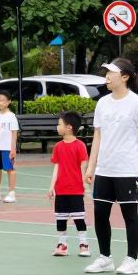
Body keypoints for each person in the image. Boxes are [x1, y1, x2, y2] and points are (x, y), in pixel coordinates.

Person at [83, 58, 138, 275]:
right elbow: (98, 135)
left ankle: (133, 260)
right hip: (105, 168)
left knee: (129, 214)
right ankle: (105, 258)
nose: (107, 76)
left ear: (125, 77)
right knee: (100, 214)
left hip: (128, 169)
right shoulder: (102, 103)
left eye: (112, 73)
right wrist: (91, 166)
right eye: (107, 72)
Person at [49, 111, 90, 258]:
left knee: (79, 218)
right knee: (61, 219)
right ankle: (62, 245)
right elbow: (57, 167)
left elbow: (83, 166)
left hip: (76, 190)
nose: (57, 126)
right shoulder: (58, 147)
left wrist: (84, 183)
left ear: (69, 127)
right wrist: (52, 186)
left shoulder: (80, 146)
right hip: (61, 190)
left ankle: (83, 244)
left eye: (59, 124)